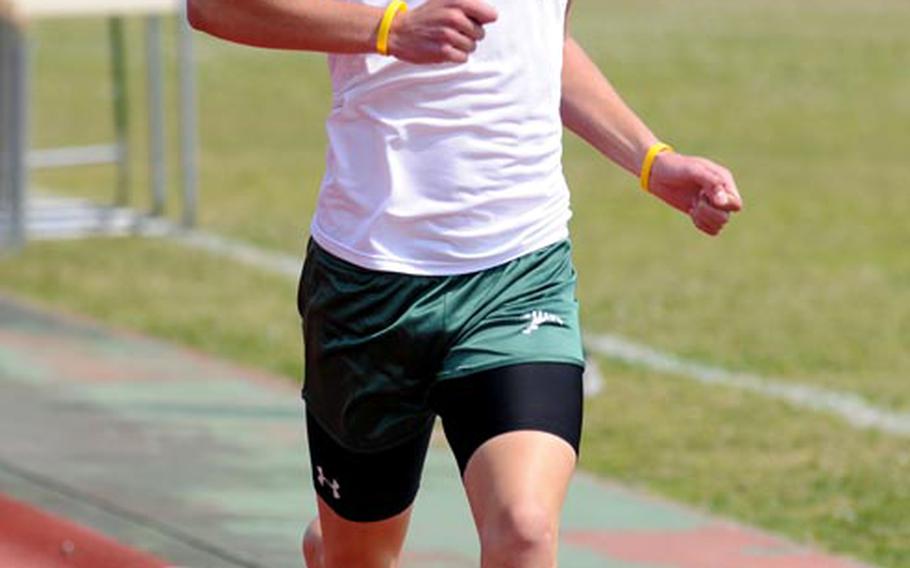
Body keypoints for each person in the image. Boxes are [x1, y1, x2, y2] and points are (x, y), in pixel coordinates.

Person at [189, 0, 743, 566]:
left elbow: (545, 44)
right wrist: (389, 30)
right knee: (359, 555)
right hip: (370, 284)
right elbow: (214, 8)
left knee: (524, 527)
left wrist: (651, 159)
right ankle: (335, 548)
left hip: (520, 271)